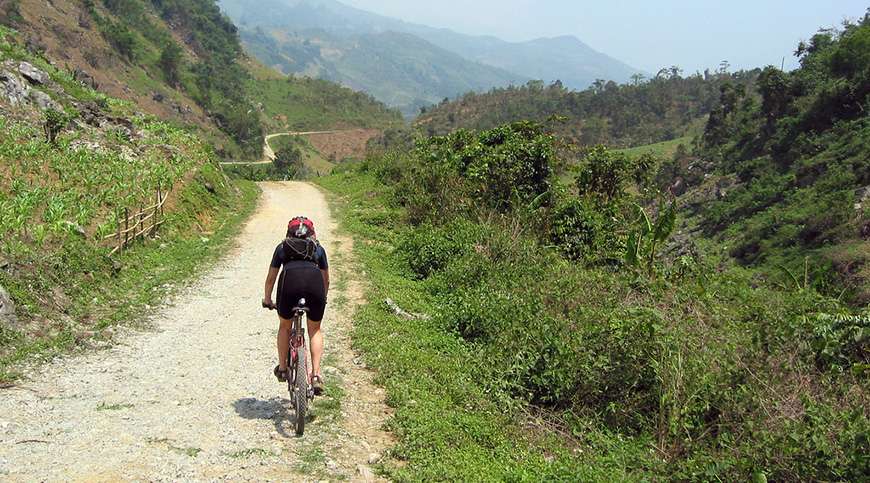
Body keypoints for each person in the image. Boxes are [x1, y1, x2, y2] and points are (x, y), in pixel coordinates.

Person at [262, 216, 329, 395]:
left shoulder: (282, 248)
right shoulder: (318, 249)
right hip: (315, 285)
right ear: (312, 233)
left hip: (289, 284)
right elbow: (326, 279)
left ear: (289, 233)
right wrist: (323, 297)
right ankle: (315, 375)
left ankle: (283, 368)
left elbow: (271, 278)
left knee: (285, 326)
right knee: (314, 330)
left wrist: (267, 299)